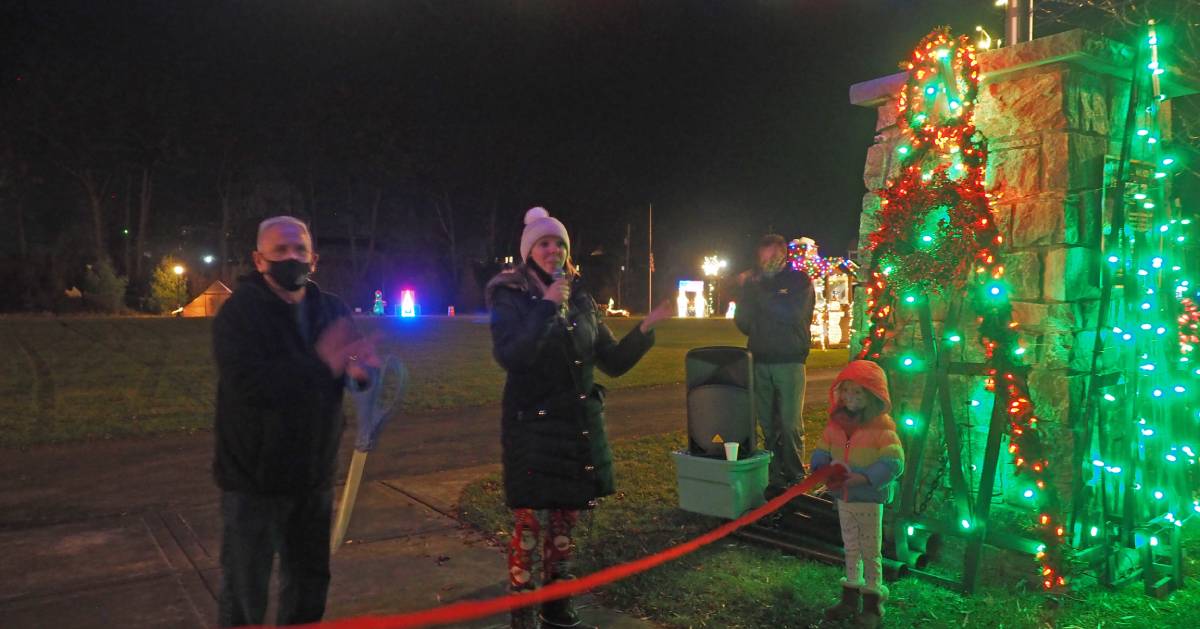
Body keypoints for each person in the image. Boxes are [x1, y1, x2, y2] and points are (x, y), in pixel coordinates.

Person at [486, 207, 673, 629]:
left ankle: (557, 600)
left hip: (574, 424)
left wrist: (645, 330)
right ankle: (522, 607)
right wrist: (545, 308)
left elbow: (611, 361)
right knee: (531, 521)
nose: (553, 250)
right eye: (545, 243)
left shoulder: (581, 297)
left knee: (565, 518)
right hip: (532, 423)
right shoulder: (510, 295)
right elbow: (512, 355)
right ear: (529, 251)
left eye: (560, 244)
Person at [212, 215, 378, 627]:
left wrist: (361, 374)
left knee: (308, 586)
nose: (292, 257)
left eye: (299, 250)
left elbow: (350, 370)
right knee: (245, 592)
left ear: (314, 258)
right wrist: (323, 363)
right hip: (254, 480)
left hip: (312, 475)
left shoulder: (332, 309)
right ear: (259, 259)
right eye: (280, 250)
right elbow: (249, 384)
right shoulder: (240, 313)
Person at [810, 360, 905, 628]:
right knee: (850, 546)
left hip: (868, 499)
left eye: (858, 393)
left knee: (870, 550)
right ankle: (850, 597)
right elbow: (822, 449)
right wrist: (820, 465)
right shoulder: (835, 426)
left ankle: (873, 603)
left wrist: (864, 478)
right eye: (846, 391)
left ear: (873, 396)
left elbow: (894, 462)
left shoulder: (882, 429)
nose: (850, 398)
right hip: (844, 497)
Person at [734, 234, 816, 497]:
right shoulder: (754, 286)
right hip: (760, 360)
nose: (767, 262)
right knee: (767, 424)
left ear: (783, 255)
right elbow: (744, 323)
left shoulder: (798, 281)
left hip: (789, 360)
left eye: (772, 256)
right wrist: (747, 294)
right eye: (763, 257)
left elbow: (791, 314)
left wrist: (758, 291)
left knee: (790, 423)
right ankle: (774, 476)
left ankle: (795, 477)